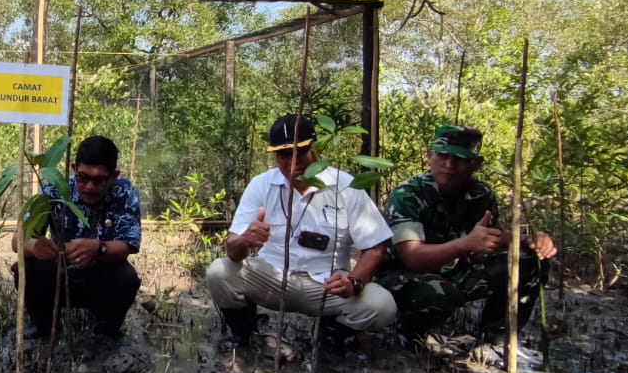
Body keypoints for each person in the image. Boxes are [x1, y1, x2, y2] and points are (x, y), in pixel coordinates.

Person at [206, 114, 396, 357]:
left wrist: (354, 281)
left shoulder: (345, 186)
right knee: (218, 271)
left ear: (315, 149)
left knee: (382, 305)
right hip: (272, 277)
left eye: (301, 151)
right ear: (275, 156)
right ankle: (247, 337)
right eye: (284, 155)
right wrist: (244, 240)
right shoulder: (261, 185)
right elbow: (232, 249)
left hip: (327, 285)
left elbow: (374, 246)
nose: (293, 162)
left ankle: (328, 340)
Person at [377, 125, 558, 343]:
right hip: (402, 277)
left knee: (529, 260)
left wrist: (530, 238)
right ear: (429, 156)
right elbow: (412, 257)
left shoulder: (480, 195)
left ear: (476, 163)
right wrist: (465, 244)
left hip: (455, 273)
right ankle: (405, 335)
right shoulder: (408, 194)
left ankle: (498, 339)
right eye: (443, 156)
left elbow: (489, 240)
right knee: (438, 291)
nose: (450, 165)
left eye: (460, 159)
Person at [12, 135, 142, 342]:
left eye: (99, 180)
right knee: (26, 269)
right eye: (83, 178)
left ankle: (107, 331)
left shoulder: (123, 192)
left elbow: (128, 245)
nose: (89, 186)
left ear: (113, 176)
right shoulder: (55, 188)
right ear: (74, 169)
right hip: (58, 275)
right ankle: (42, 326)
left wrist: (98, 248)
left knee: (126, 278)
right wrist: (35, 245)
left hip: (100, 276)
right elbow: (18, 240)